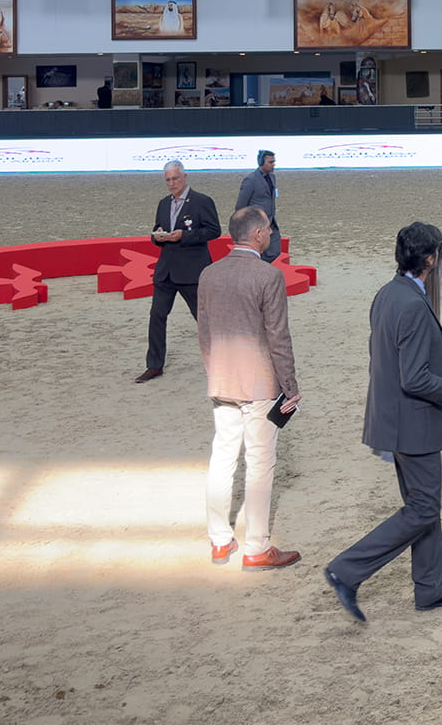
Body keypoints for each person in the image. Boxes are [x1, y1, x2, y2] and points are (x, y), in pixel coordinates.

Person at [325, 222, 442, 621]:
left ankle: (430, 587)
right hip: (413, 425)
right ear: (430, 260)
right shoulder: (411, 303)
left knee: (422, 504)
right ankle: (347, 569)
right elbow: (414, 377)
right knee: (423, 508)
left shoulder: (388, 294)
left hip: (394, 420)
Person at [198, 206, 303, 571]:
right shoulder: (268, 276)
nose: (272, 234)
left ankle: (218, 540)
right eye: (269, 230)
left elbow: (204, 334)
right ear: (257, 234)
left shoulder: (209, 275)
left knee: (222, 458)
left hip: (222, 380)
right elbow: (278, 338)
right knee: (259, 463)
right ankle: (256, 546)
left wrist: (215, 373)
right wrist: (290, 387)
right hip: (259, 384)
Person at [135, 160, 220, 383]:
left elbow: (214, 231)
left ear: (185, 177)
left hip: (192, 271)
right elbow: (156, 230)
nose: (171, 183)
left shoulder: (202, 201)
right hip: (166, 271)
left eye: (175, 178)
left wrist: (185, 236)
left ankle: (221, 361)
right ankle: (154, 365)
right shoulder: (163, 204)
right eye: (168, 180)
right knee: (157, 316)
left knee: (203, 318)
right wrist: (159, 235)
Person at [236, 150, 282, 263]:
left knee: (275, 251)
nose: (273, 165)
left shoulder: (272, 177)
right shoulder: (250, 180)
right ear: (261, 162)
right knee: (259, 252)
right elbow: (240, 205)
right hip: (256, 223)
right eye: (270, 162)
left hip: (270, 221)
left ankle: (260, 268)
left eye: (274, 162)